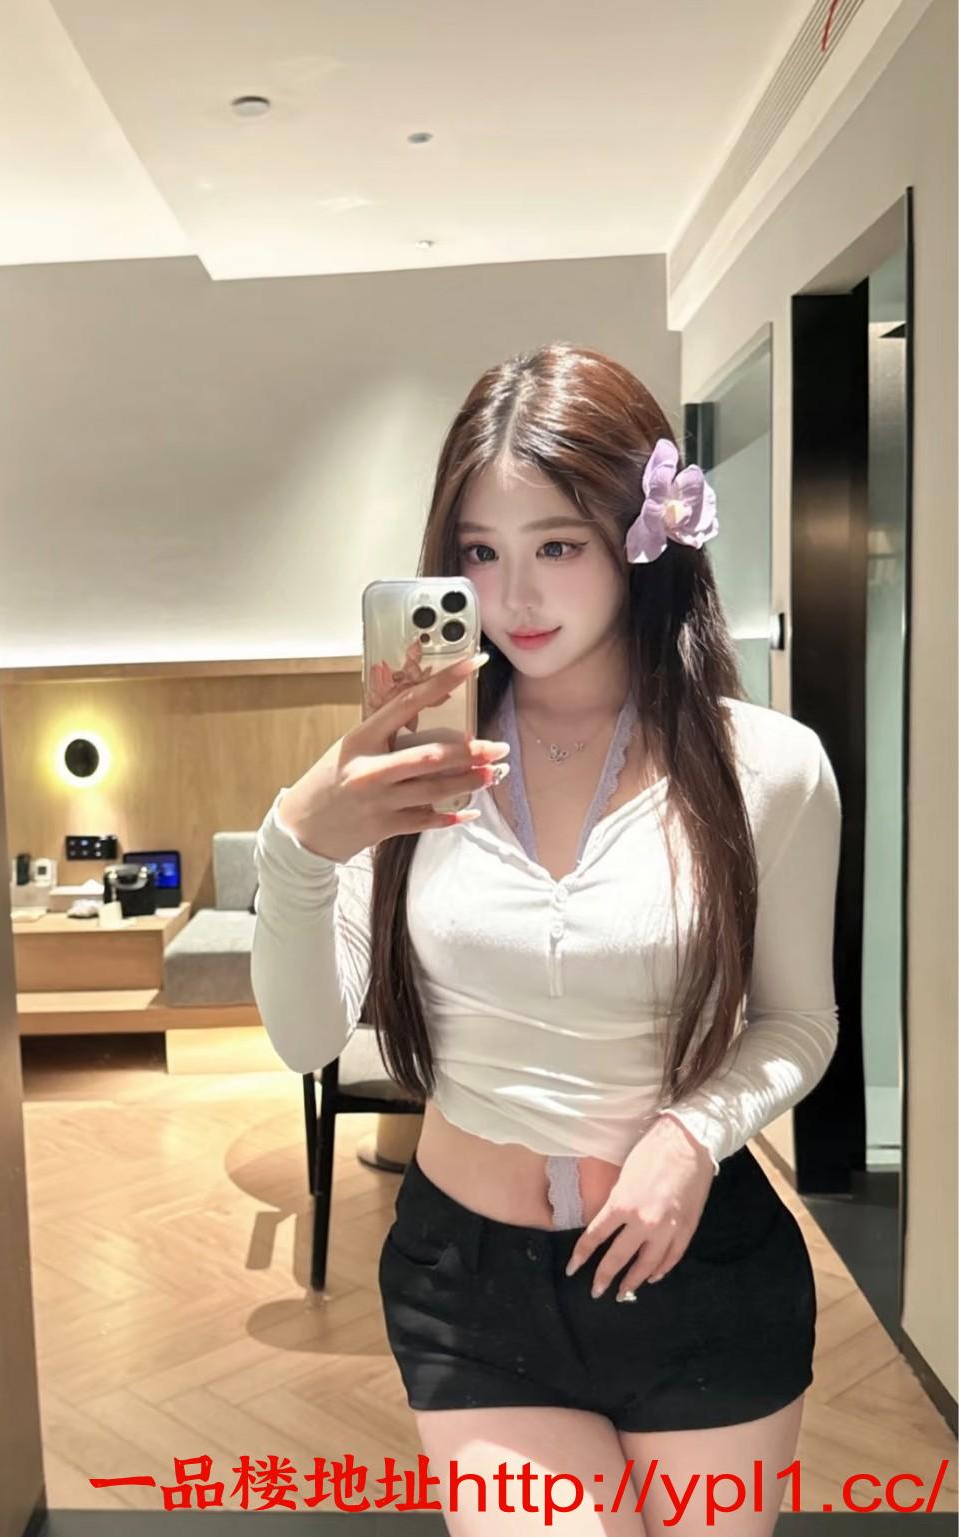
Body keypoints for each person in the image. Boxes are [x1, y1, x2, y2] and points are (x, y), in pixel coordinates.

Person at [250, 343, 842, 1535]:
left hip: (700, 1265)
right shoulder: (404, 773)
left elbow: (798, 1022)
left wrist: (693, 1134)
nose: (515, 596)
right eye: (480, 552)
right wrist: (296, 847)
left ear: (639, 541)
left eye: (558, 546)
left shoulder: (770, 768)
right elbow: (309, 1037)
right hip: (473, 1290)